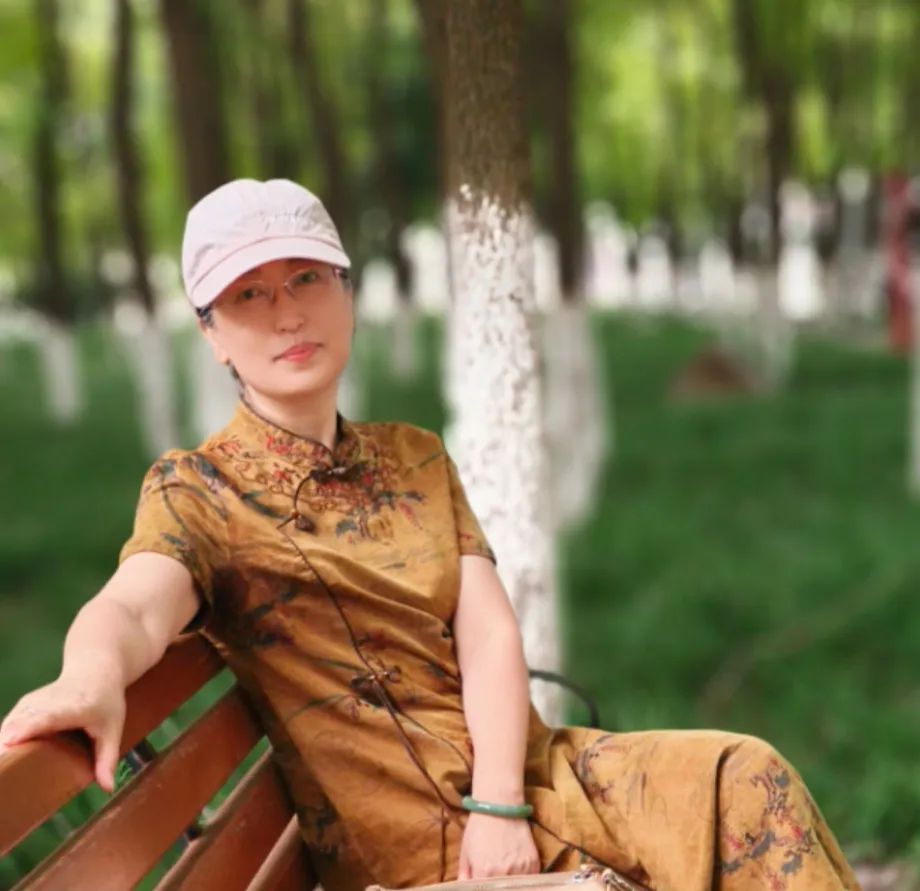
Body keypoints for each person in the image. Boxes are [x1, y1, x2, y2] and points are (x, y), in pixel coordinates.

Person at [0, 179, 859, 891]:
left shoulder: (414, 456)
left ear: (346, 294)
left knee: (748, 775)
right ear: (212, 334)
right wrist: (89, 677)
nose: (287, 313)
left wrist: (500, 801)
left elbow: (487, 633)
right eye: (249, 294)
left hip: (523, 785)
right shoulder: (201, 491)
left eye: (307, 278)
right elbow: (134, 605)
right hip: (415, 846)